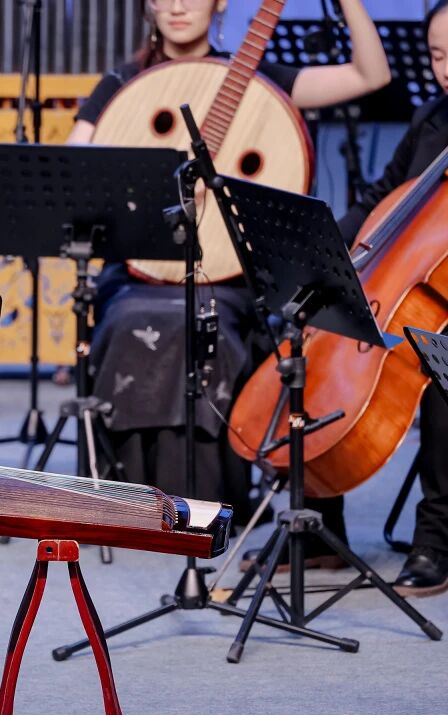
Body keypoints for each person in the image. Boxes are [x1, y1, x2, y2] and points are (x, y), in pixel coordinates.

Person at [67, 0, 390, 522]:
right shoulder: (122, 84)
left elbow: (370, 75)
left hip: (228, 273)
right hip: (138, 272)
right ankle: (122, 495)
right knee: (130, 318)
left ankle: (210, 497)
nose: (177, 7)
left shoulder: (258, 75)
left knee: (209, 321)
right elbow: (77, 170)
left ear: (219, 3)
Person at [322, 0, 448, 596]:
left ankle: (436, 539)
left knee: (443, 365)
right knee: (315, 328)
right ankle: (318, 529)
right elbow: (382, 196)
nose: (447, 69)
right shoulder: (432, 118)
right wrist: (327, 248)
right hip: (421, 292)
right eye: (438, 55)